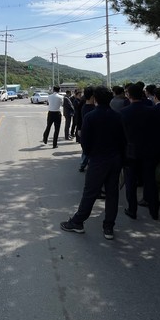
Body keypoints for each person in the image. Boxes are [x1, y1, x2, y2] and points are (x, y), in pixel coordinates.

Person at [61, 86, 126, 240]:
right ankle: (108, 227)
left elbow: (85, 142)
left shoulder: (91, 117)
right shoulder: (118, 116)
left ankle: (78, 222)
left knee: (90, 192)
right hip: (115, 159)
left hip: (98, 159)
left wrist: (91, 155)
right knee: (112, 193)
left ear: (95, 99)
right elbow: (123, 140)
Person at [119, 82, 160, 220]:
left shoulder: (123, 112)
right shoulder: (152, 110)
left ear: (128, 95)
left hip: (130, 151)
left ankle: (132, 210)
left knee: (130, 182)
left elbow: (121, 135)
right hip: (150, 150)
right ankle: (154, 211)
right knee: (150, 180)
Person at [76, 86, 96, 172]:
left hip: (84, 131)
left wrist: (79, 128)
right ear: (92, 96)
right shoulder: (93, 108)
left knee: (85, 149)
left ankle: (83, 164)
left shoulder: (83, 105)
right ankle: (86, 165)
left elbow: (78, 117)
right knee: (88, 149)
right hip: (89, 131)